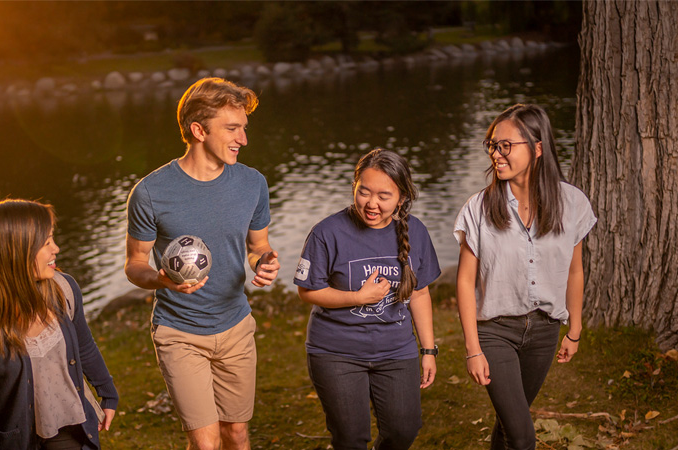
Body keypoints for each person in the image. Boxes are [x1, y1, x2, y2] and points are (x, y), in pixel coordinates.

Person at [125, 77, 280, 450]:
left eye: (244, 128)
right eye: (232, 129)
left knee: (236, 434)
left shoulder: (252, 183)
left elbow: (258, 246)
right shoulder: (150, 192)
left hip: (236, 326)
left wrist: (265, 262)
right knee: (206, 442)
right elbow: (134, 264)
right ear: (198, 130)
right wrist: (162, 280)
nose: (243, 139)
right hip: (180, 333)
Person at [454, 104, 597, 450]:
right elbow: (463, 281)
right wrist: (473, 349)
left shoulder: (572, 203)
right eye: (492, 145)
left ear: (537, 148)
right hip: (495, 332)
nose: (496, 154)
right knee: (522, 435)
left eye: (506, 145)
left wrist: (574, 330)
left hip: (545, 333)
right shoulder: (479, 208)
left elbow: (575, 271)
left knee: (509, 425)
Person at [294, 148, 440, 450]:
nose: (371, 204)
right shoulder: (327, 232)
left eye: (384, 196)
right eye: (364, 192)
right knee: (350, 439)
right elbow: (307, 291)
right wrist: (358, 297)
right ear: (354, 187)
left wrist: (428, 350)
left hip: (396, 351)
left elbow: (420, 293)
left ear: (401, 197)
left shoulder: (417, 232)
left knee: (404, 431)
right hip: (336, 352)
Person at [0, 199, 118, 450]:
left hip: (69, 429)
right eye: (46, 242)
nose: (56, 249)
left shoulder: (64, 288)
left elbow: (84, 345)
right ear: (16, 250)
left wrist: (108, 391)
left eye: (52, 239)